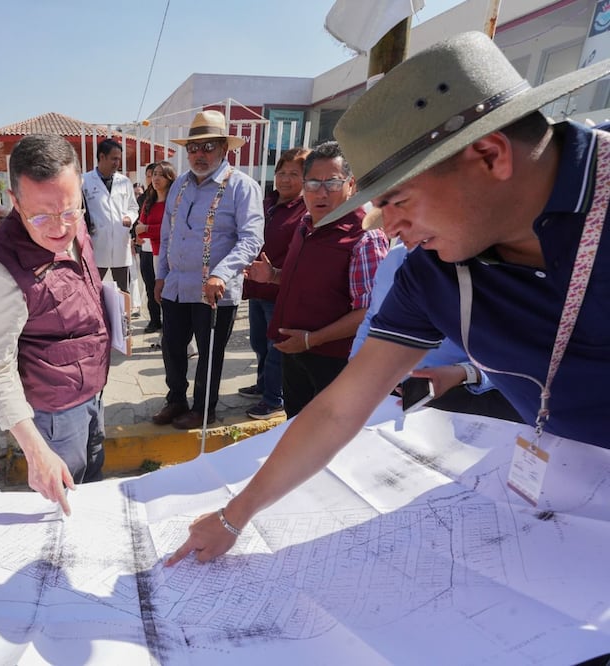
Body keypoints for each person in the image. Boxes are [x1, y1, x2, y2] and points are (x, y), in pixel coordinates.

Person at [167, 31, 610, 565]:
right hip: (568, 512)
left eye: (398, 201)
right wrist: (233, 516)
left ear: (489, 155)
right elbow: (340, 409)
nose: (389, 229)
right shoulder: (431, 267)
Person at [0, 134, 110, 514]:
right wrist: (36, 450)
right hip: (53, 416)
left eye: (69, 211)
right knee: (63, 512)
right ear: (14, 201)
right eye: (40, 216)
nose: (59, 228)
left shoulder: (76, 225)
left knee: (94, 495)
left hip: (92, 392)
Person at [246, 141, 388, 417]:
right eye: (313, 183)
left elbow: (368, 311)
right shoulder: (306, 224)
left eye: (332, 183)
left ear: (351, 185)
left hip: (334, 362)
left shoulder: (364, 237)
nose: (321, 193)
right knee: (295, 422)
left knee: (326, 431)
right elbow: (310, 280)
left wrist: (312, 339)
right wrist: (273, 276)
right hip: (295, 353)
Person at [151, 110, 264, 430]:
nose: (200, 154)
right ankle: (176, 399)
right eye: (194, 148)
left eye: (209, 146)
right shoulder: (179, 185)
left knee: (209, 352)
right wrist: (161, 275)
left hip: (215, 291)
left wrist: (221, 273)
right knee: (172, 347)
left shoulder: (242, 186)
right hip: (176, 285)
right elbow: (168, 234)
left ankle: (204, 409)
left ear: (224, 149)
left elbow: (251, 239)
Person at [350, 214, 522, 422]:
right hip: (394, 398)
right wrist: (355, 369)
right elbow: (372, 318)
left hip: (464, 403)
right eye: (389, 219)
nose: (392, 230)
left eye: (405, 216)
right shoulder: (394, 258)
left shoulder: (489, 267)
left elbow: (519, 358)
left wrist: (464, 373)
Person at [238, 147, 309, 418]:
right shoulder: (267, 203)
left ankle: (274, 398)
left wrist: (276, 274)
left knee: (275, 347)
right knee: (258, 343)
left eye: (294, 173)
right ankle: (262, 385)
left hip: (280, 291)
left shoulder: (305, 210)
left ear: (306, 178)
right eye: (281, 172)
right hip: (257, 286)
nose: (285, 179)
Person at [82, 138, 140, 293]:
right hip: (96, 243)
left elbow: (133, 207)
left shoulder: (124, 182)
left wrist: (129, 217)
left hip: (120, 243)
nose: (117, 163)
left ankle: (123, 311)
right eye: (114, 159)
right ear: (102, 156)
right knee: (92, 290)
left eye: (119, 159)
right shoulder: (84, 181)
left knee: (123, 291)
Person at [135, 161, 175, 335]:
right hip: (156, 254)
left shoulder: (174, 202)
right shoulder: (149, 201)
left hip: (173, 254)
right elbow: (140, 230)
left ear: (170, 178)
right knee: (158, 293)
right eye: (154, 174)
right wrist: (150, 230)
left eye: (161, 175)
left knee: (172, 296)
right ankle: (163, 331)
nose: (156, 178)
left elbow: (171, 229)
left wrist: (148, 229)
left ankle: (174, 334)